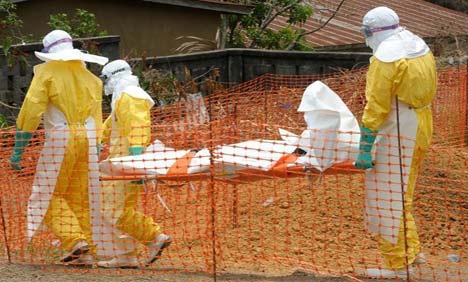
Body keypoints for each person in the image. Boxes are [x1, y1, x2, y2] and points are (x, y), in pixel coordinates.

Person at [9, 29, 115, 264]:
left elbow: (31, 111)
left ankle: (74, 240)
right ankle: (83, 251)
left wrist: (18, 150)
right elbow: (97, 116)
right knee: (79, 196)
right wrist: (96, 145)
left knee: (46, 196)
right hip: (87, 139)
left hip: (61, 138)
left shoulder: (47, 73)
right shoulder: (90, 78)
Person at [355, 6, 437, 279]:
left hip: (399, 128)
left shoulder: (386, 58)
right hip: (422, 122)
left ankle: (399, 266)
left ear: (370, 32)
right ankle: (411, 251)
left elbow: (376, 105)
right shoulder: (417, 46)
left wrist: (365, 146)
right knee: (404, 192)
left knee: (386, 196)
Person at [97, 59, 172, 268]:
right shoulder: (123, 96)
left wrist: (137, 163)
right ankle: (125, 255)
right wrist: (100, 140)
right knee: (113, 208)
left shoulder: (132, 96)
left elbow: (138, 129)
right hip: (120, 161)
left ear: (113, 76)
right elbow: (113, 121)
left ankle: (154, 237)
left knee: (116, 211)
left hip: (128, 161)